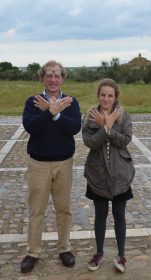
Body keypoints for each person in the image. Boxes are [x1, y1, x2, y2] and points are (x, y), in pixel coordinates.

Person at [21, 60, 82, 273]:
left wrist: (55, 113)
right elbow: (30, 126)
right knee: (36, 211)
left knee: (63, 209)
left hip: (64, 163)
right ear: (42, 78)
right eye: (49, 74)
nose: (53, 79)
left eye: (57, 75)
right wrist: (48, 112)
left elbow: (74, 127)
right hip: (38, 163)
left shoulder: (70, 102)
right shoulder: (33, 102)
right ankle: (33, 252)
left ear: (63, 78)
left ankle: (64, 248)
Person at [82, 78, 135, 273]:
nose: (106, 98)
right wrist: (104, 128)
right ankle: (99, 253)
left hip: (120, 174)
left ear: (115, 97)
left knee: (119, 215)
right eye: (103, 95)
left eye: (110, 95)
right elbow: (90, 143)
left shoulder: (124, 116)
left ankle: (121, 255)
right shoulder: (89, 116)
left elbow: (124, 141)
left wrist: (110, 126)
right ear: (98, 95)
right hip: (97, 175)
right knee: (100, 216)